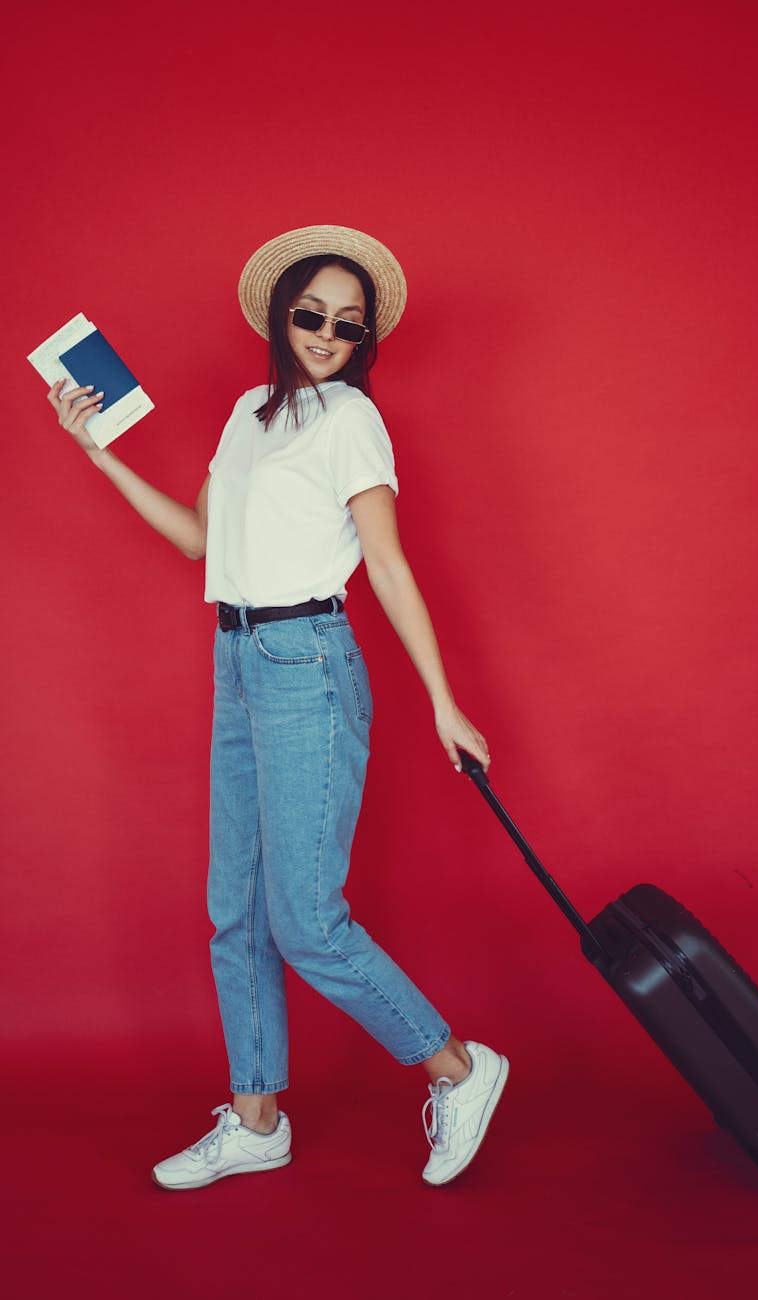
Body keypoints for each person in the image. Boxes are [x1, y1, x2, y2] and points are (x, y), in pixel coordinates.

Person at [47, 224, 508, 1190]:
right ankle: (257, 1120)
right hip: (237, 660)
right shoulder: (247, 414)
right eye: (310, 314)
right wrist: (96, 453)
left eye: (347, 322)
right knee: (236, 914)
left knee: (305, 919)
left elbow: (384, 560)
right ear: (279, 315)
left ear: (363, 338)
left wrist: (441, 701)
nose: (326, 332)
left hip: (309, 661)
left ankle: (457, 1068)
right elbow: (194, 542)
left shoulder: (351, 420)